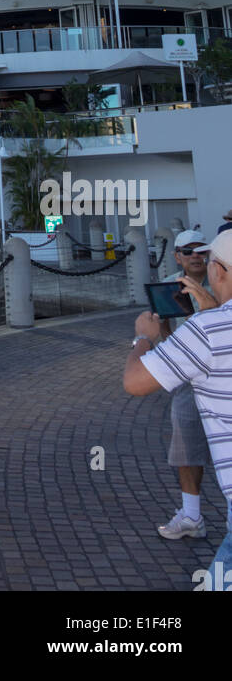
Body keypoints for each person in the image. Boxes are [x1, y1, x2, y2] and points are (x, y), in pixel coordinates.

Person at [124, 228, 232, 585]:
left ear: (220, 271)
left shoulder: (208, 328)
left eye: (209, 258)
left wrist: (143, 338)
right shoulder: (211, 321)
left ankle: (191, 515)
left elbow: (135, 382)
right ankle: (191, 513)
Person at [155, 230, 219, 540]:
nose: (196, 255)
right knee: (185, 445)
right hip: (187, 379)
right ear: (177, 255)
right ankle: (192, 515)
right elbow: (166, 331)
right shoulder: (168, 283)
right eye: (188, 251)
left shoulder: (223, 279)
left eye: (200, 250)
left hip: (223, 374)